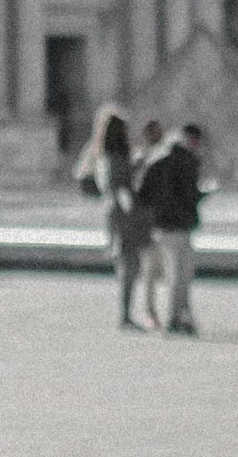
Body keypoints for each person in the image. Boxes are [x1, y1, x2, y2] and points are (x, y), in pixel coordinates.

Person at [134, 121, 207, 333]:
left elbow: (143, 195)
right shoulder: (190, 161)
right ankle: (177, 317)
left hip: (162, 224)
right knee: (181, 274)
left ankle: (167, 315)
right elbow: (191, 195)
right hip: (182, 224)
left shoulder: (157, 161)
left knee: (166, 273)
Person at [77, 104, 145, 329]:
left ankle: (126, 313)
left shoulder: (103, 156)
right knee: (129, 264)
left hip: (113, 212)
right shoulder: (116, 158)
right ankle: (125, 315)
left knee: (127, 263)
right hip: (123, 212)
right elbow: (119, 188)